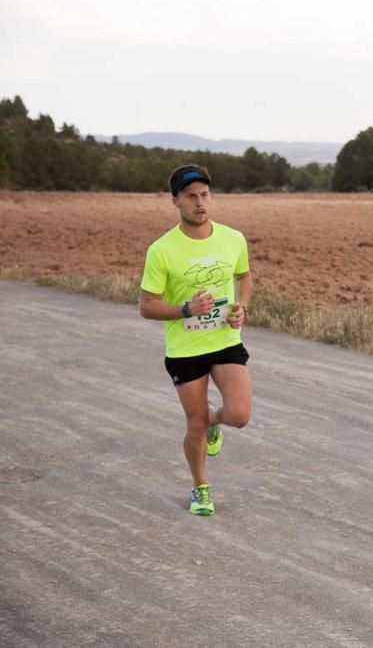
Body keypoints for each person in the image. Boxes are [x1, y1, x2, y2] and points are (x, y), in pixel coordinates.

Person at [139, 164, 253, 516]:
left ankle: (216, 425)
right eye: (191, 196)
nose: (200, 202)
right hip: (185, 350)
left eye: (204, 195)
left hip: (224, 340)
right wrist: (187, 309)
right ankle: (200, 487)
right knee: (195, 423)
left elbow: (244, 277)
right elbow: (146, 306)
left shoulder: (233, 238)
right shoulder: (161, 250)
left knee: (238, 414)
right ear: (175, 201)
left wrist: (242, 306)